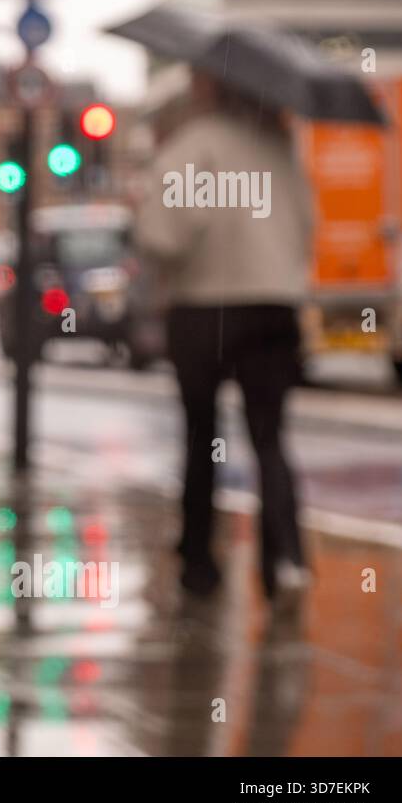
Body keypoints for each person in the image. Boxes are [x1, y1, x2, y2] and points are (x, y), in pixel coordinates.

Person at [136, 68, 314, 601]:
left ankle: (199, 561)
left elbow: (161, 236)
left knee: (201, 436)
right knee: (270, 436)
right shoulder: (280, 147)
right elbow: (308, 224)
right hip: (273, 306)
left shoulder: (193, 148)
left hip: (205, 309)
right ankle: (285, 559)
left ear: (206, 89)